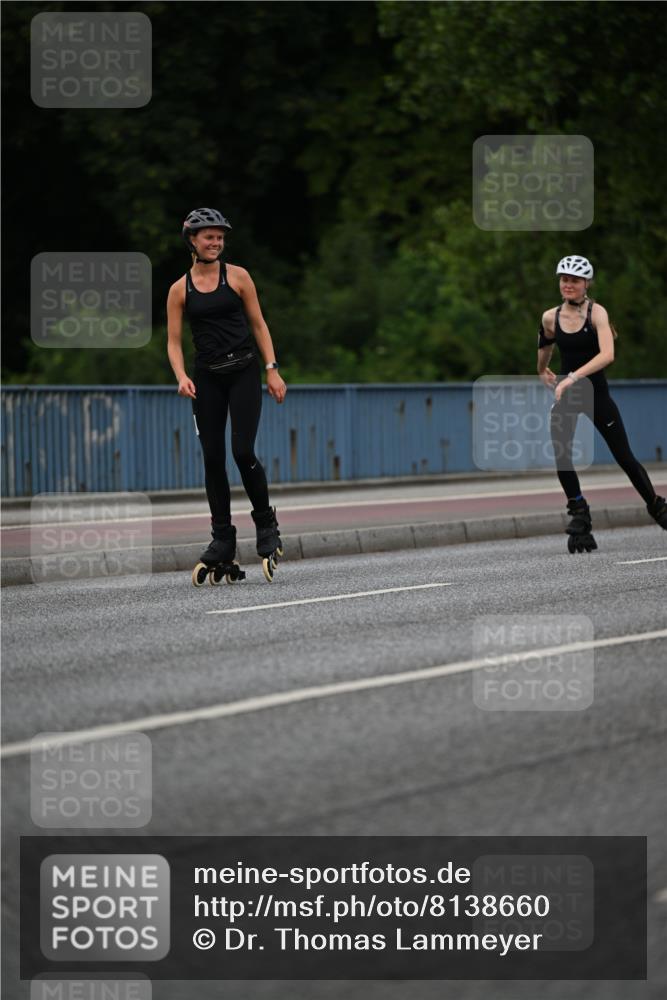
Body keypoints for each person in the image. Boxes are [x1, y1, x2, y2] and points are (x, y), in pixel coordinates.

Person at [166, 207, 287, 582]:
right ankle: (222, 541)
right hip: (207, 379)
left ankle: (267, 528)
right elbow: (172, 342)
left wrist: (272, 369)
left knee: (241, 451)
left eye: (220, 237)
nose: (216, 242)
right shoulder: (178, 289)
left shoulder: (237, 277)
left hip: (244, 372)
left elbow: (258, 323)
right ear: (192, 240)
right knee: (213, 457)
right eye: (209, 237)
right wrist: (181, 375)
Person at [537, 254, 666, 553]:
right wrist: (542, 369)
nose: (568, 284)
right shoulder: (550, 316)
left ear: (586, 284)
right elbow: (545, 344)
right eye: (564, 279)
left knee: (624, 457)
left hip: (596, 394)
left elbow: (607, 355)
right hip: (569, 397)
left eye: (575, 280)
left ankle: (657, 506)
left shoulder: (597, 314)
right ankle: (580, 515)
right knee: (562, 453)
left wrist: (572, 377)